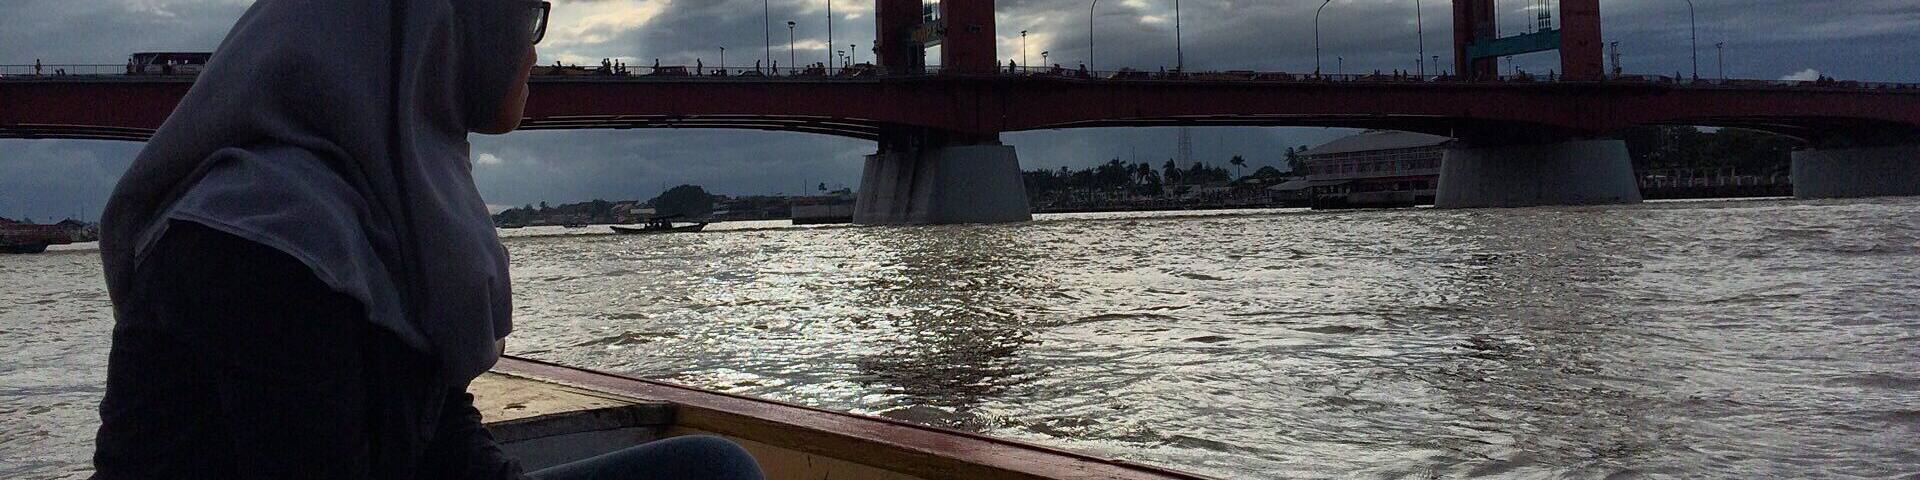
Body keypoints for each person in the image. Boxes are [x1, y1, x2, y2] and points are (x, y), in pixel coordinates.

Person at [91, 1, 764, 479]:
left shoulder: (380, 204)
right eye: (527, 12)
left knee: (710, 469)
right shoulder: (265, 239)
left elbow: (439, 440)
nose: (535, 45)